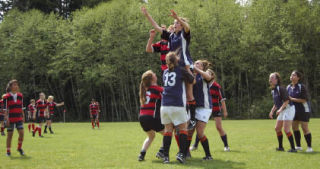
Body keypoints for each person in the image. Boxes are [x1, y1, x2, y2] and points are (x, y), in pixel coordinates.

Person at [141, 6, 197, 130]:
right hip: (175, 69)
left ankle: (192, 119)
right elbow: (157, 27)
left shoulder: (184, 34)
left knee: (189, 94)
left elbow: (187, 27)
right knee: (176, 93)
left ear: (181, 26)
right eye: (174, 23)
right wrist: (147, 15)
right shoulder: (171, 36)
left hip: (185, 65)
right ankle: (178, 118)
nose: (175, 24)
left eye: (177, 23)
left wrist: (178, 18)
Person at [160, 52, 194, 163]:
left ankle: (166, 157)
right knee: (183, 129)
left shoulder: (165, 72)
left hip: (165, 105)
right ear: (177, 61)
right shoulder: (180, 70)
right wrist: (188, 68)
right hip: (177, 104)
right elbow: (192, 80)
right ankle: (181, 154)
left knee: (168, 130)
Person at [190, 69, 230, 152]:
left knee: (219, 127)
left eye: (209, 73)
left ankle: (226, 146)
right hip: (205, 108)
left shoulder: (216, 86)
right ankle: (195, 145)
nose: (206, 74)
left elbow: (222, 99)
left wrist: (225, 111)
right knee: (200, 128)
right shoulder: (201, 84)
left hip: (215, 109)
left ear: (212, 76)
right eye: (206, 73)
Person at [186, 60, 213, 160]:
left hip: (204, 108)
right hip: (194, 107)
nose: (195, 64)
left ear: (202, 67)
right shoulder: (192, 76)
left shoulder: (205, 74)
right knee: (189, 131)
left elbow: (208, 77)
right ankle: (186, 153)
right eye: (195, 63)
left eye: (198, 64)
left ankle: (208, 155)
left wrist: (195, 68)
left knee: (200, 132)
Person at [138, 70, 165, 161]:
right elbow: (167, 95)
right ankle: (161, 151)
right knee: (167, 134)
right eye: (154, 74)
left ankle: (142, 154)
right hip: (151, 117)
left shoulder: (145, 90)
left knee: (151, 136)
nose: (155, 74)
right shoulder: (157, 89)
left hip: (142, 117)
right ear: (152, 78)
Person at [269, 72, 296, 152]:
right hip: (283, 109)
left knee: (286, 129)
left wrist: (280, 109)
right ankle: (281, 147)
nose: (270, 79)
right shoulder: (273, 91)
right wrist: (271, 111)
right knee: (277, 128)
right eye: (270, 78)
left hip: (289, 109)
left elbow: (287, 100)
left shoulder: (281, 88)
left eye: (272, 77)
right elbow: (276, 103)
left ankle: (293, 148)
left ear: (277, 79)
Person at [287, 70, 313, 152]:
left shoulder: (302, 87)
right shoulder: (288, 87)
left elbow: (304, 100)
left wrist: (292, 99)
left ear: (298, 78)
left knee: (304, 128)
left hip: (303, 110)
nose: (292, 76)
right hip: (293, 111)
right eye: (291, 75)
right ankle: (298, 146)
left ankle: (309, 147)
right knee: (294, 127)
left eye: (294, 75)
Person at [3, 80, 25, 156]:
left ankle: (19, 148)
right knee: (10, 135)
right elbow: (5, 110)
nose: (16, 86)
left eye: (17, 85)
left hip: (18, 118)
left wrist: (23, 116)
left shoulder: (20, 95)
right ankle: (8, 151)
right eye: (14, 85)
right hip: (10, 118)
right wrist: (6, 119)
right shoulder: (6, 97)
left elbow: (21, 107)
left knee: (22, 133)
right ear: (10, 87)